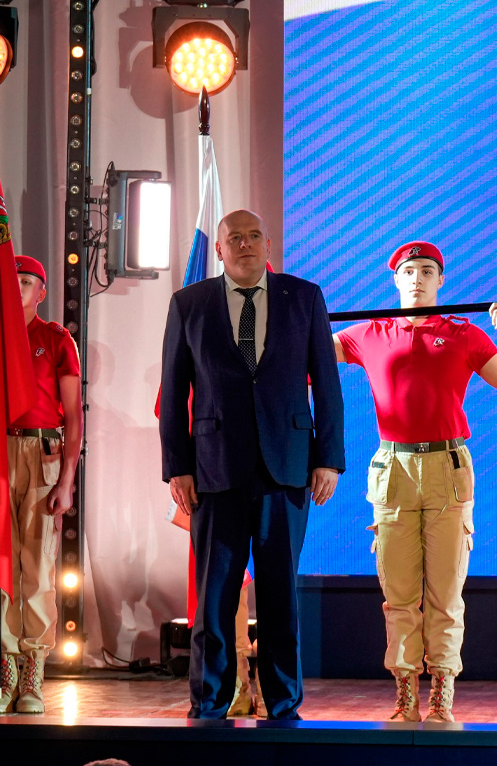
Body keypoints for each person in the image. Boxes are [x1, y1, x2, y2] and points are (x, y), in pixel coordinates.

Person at [160, 209, 345, 719]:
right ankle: (209, 704)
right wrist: (177, 466)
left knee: (281, 594)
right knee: (215, 599)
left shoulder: (304, 297)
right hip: (213, 471)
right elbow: (173, 392)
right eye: (234, 238)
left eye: (253, 236)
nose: (245, 244)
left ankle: (283, 704)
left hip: (287, 467)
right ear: (219, 249)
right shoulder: (188, 303)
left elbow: (327, 385)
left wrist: (328, 459)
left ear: (268, 245)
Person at [333, 241, 497, 722]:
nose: (416, 279)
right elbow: (306, 360)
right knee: (398, 594)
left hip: (448, 468)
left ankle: (441, 695)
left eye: (426, 271)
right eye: (408, 271)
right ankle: (405, 695)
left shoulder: (462, 333)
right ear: (395, 280)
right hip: (392, 469)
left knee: (445, 594)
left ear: (441, 280)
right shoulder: (368, 332)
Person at [1, 256, 82, 714]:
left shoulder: (55, 339)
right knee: (1, 567)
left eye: (27, 281)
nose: (17, 287)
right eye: (10, 280)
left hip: (41, 453)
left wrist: (67, 480)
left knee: (37, 565)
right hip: (1, 453)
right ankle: (5, 667)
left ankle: (33, 670)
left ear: (42, 292)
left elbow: (73, 417)